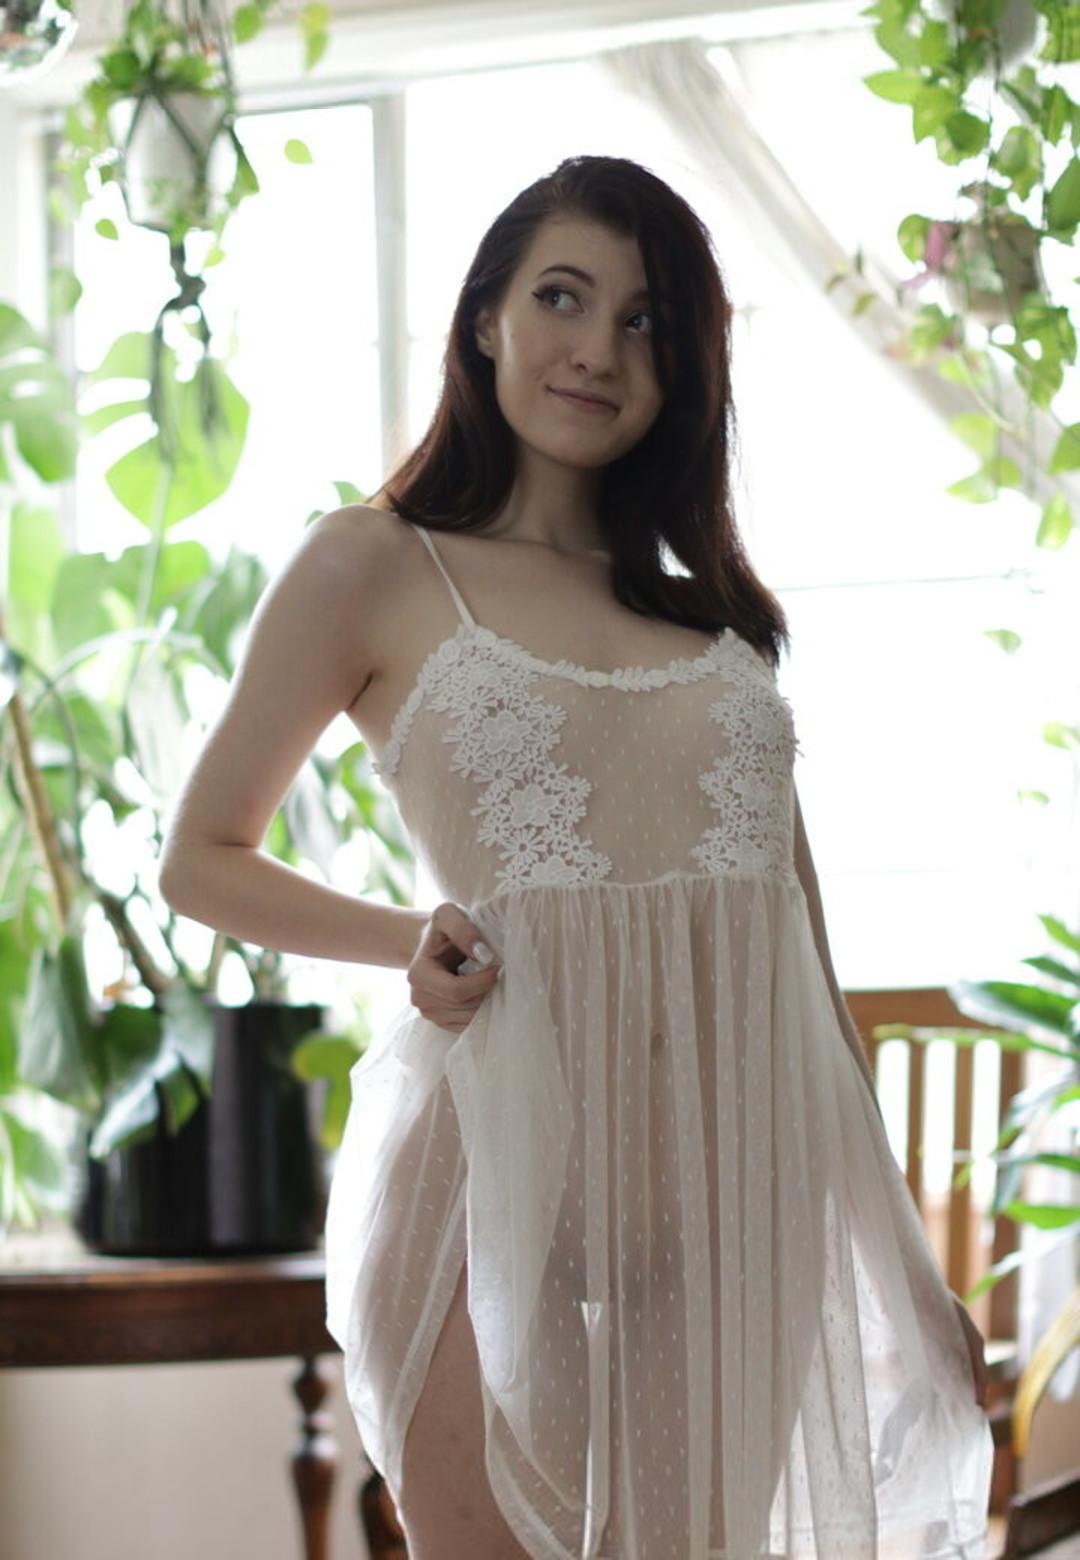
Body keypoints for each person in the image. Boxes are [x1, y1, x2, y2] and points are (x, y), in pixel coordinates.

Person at [159, 154, 995, 1560]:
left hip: (735, 1209)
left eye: (646, 321)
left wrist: (906, 1272)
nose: (600, 349)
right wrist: (407, 938)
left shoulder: (716, 626)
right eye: (563, 296)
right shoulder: (374, 565)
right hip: (486, 1191)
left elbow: (805, 968)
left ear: (686, 371)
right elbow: (200, 858)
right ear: (486, 316)